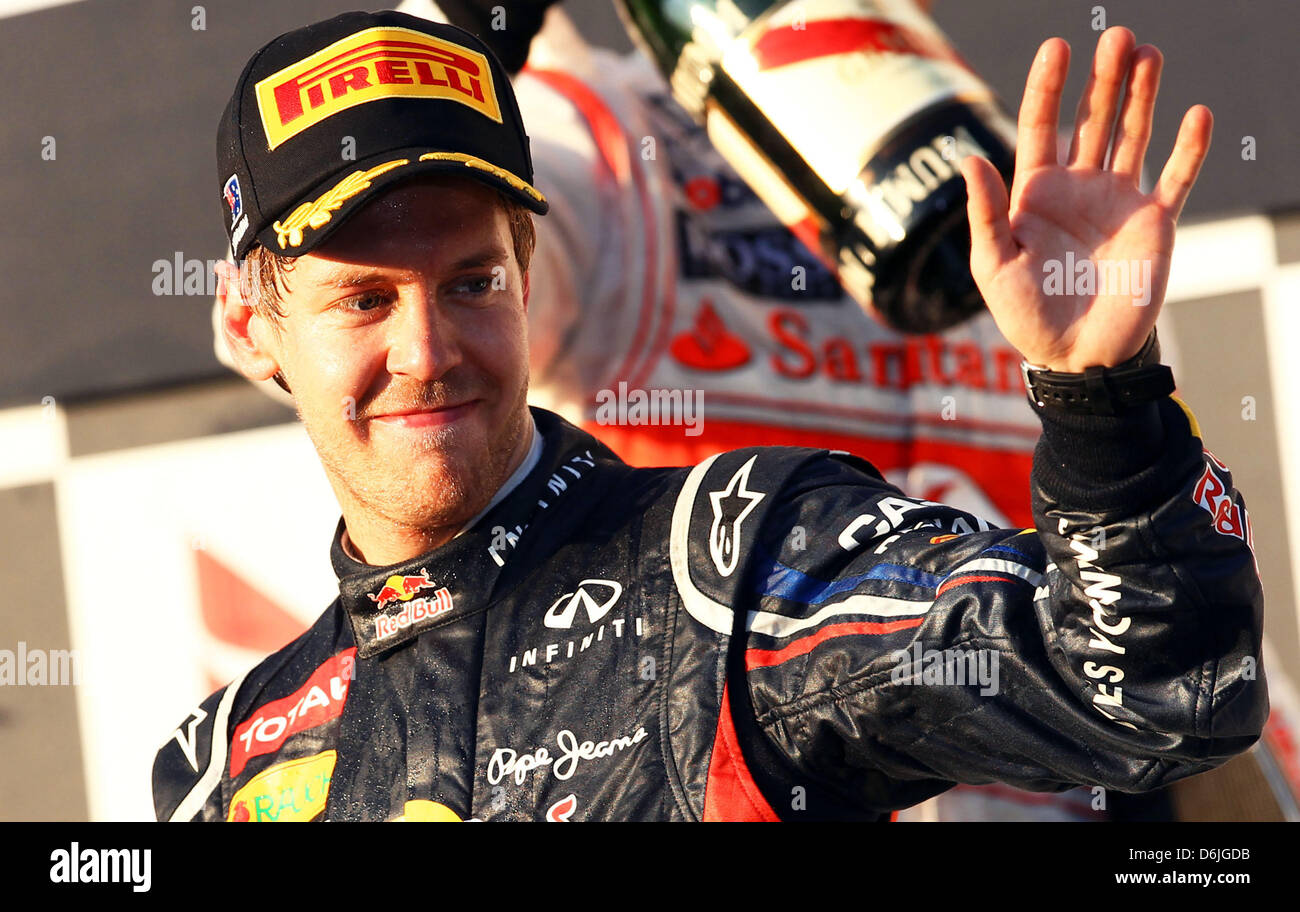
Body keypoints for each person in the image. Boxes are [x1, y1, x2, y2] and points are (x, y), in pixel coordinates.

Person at [155, 10, 1264, 822]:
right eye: (364, 298)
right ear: (260, 328)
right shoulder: (232, 765)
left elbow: (1145, 687)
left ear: (522, 279)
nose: (427, 348)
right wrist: (477, 44)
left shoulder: (740, 571)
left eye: (473, 284)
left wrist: (1099, 393)